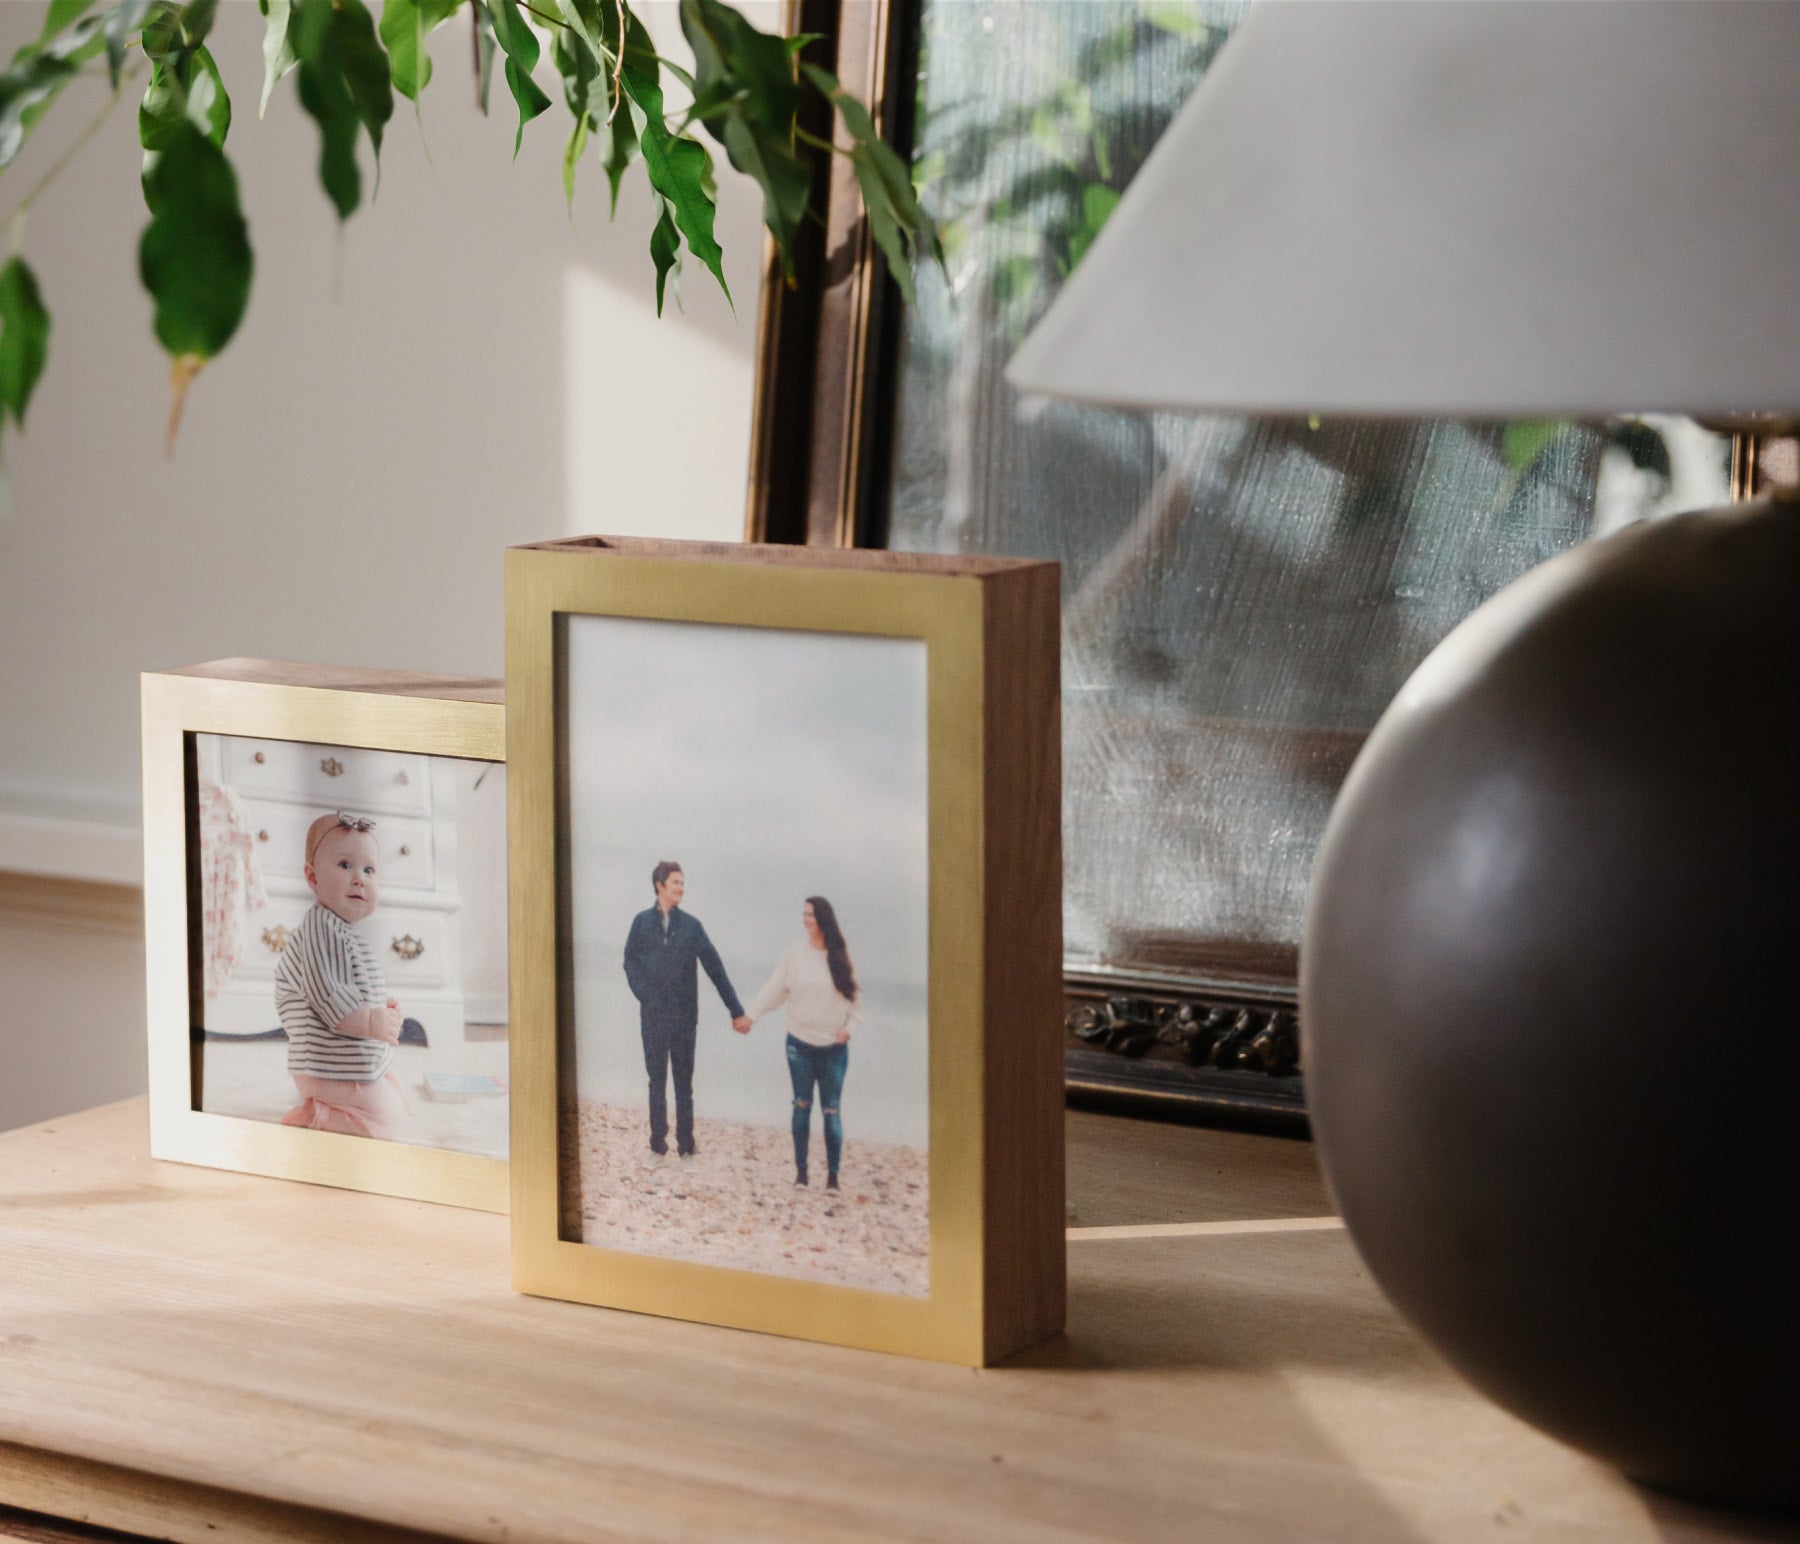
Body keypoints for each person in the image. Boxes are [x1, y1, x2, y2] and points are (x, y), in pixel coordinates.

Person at [277, 812, 408, 1140]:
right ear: (312, 877)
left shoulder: (341, 929)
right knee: (387, 1122)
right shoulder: (321, 931)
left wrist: (383, 1010)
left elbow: (356, 987)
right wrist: (371, 1022)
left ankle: (338, 1103)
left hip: (344, 1055)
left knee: (397, 1092)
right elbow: (333, 1000)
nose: (359, 878)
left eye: (369, 870)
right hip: (324, 1064)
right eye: (345, 865)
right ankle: (317, 1115)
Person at [623, 861, 749, 1158]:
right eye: (676, 883)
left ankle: (686, 1143)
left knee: (684, 1083)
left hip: (684, 1018)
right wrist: (644, 995)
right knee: (656, 1080)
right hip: (653, 1017)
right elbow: (630, 961)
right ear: (660, 885)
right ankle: (657, 1142)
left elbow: (715, 968)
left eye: (682, 883)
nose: (681, 888)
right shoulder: (641, 922)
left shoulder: (692, 927)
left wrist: (736, 1010)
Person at [739, 896, 860, 1190]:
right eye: (804, 914)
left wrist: (849, 1029)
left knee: (831, 1110)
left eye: (811, 915)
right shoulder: (795, 955)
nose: (806, 919)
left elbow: (855, 1002)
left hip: (833, 1050)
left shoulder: (840, 957)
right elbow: (774, 990)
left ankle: (832, 1177)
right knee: (801, 1106)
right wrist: (750, 1016)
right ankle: (801, 1173)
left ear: (824, 919)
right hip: (799, 1047)